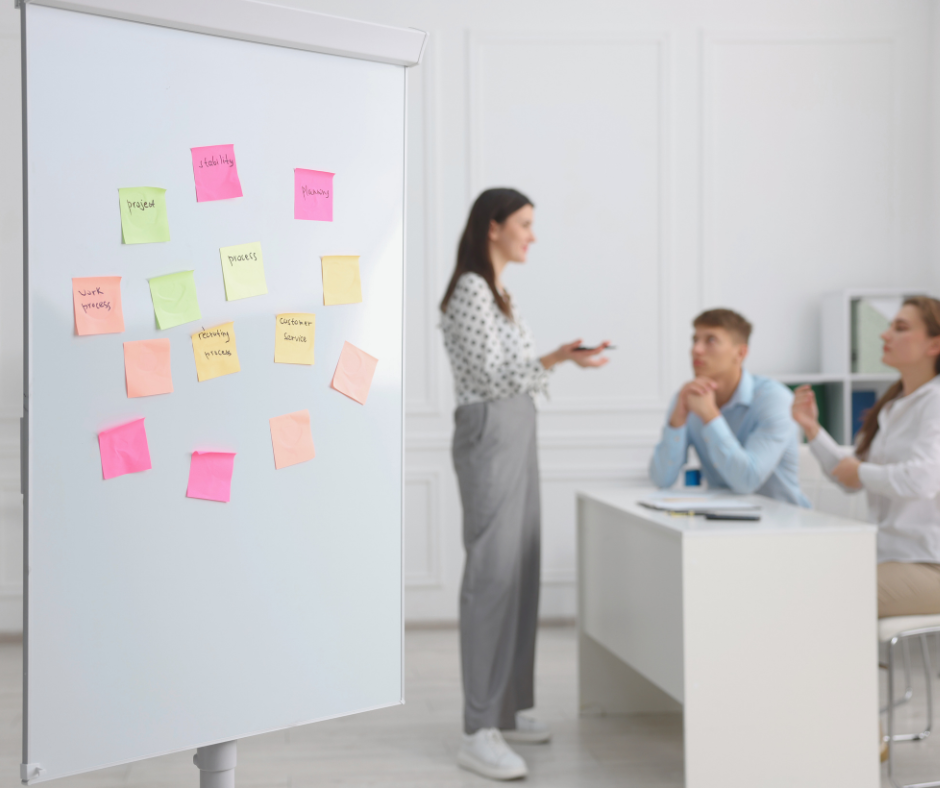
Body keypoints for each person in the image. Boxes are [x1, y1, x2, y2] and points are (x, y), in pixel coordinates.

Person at [439, 188, 610, 781]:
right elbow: (489, 375)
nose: (532, 235)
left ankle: (505, 709)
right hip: (491, 429)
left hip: (515, 426)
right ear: (493, 227)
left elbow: (508, 370)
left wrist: (561, 358)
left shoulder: (498, 291)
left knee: (519, 570)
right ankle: (477, 729)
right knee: (492, 576)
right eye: (525, 224)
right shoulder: (471, 289)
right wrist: (556, 358)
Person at [793, 297, 940, 617]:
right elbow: (849, 477)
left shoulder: (935, 402)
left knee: (823, 599)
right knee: (797, 579)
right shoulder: (893, 405)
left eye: (900, 328)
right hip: (886, 556)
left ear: (935, 344)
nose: (885, 335)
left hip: (929, 563)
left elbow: (923, 480)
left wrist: (860, 471)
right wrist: (812, 429)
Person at [649, 308, 809, 506]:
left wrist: (710, 416)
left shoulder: (775, 400)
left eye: (711, 340)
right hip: (721, 517)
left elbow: (746, 481)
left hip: (783, 519)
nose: (696, 349)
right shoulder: (687, 398)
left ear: (740, 353)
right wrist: (677, 421)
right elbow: (661, 479)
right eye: (695, 340)